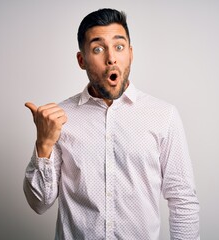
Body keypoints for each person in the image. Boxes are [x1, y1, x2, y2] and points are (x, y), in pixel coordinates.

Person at [23, 8, 200, 240]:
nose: (111, 58)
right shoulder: (60, 117)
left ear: (131, 53)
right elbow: (39, 204)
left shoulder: (163, 115)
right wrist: (44, 144)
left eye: (119, 46)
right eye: (98, 49)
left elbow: (182, 199)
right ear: (81, 60)